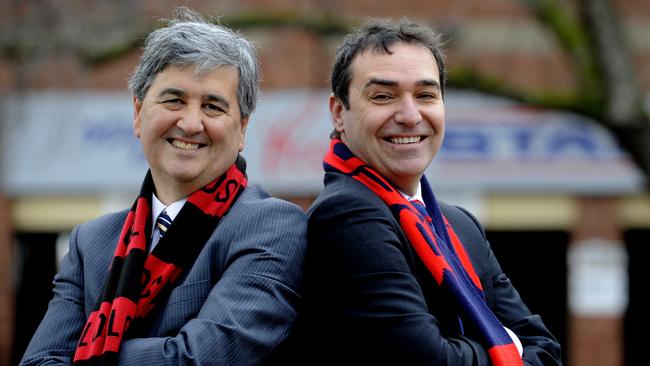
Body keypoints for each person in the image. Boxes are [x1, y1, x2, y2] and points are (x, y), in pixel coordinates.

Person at [20, 7, 306, 366]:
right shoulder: (89, 244)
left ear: (242, 130)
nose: (190, 123)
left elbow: (199, 359)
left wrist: (85, 355)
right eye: (174, 100)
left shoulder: (272, 227)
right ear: (138, 113)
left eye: (213, 106)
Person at [300, 18, 562, 365]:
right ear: (338, 112)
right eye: (383, 96)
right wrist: (507, 346)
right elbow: (426, 358)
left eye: (426, 95)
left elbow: (546, 348)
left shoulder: (460, 225)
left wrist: (475, 346)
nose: (410, 115)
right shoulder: (347, 213)